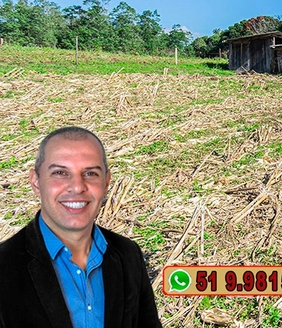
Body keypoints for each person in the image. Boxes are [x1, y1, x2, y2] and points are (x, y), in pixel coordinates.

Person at [0, 126, 162, 328]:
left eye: (91, 173)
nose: (77, 187)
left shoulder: (128, 255)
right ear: (36, 181)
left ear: (106, 182)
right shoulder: (4, 266)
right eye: (60, 172)